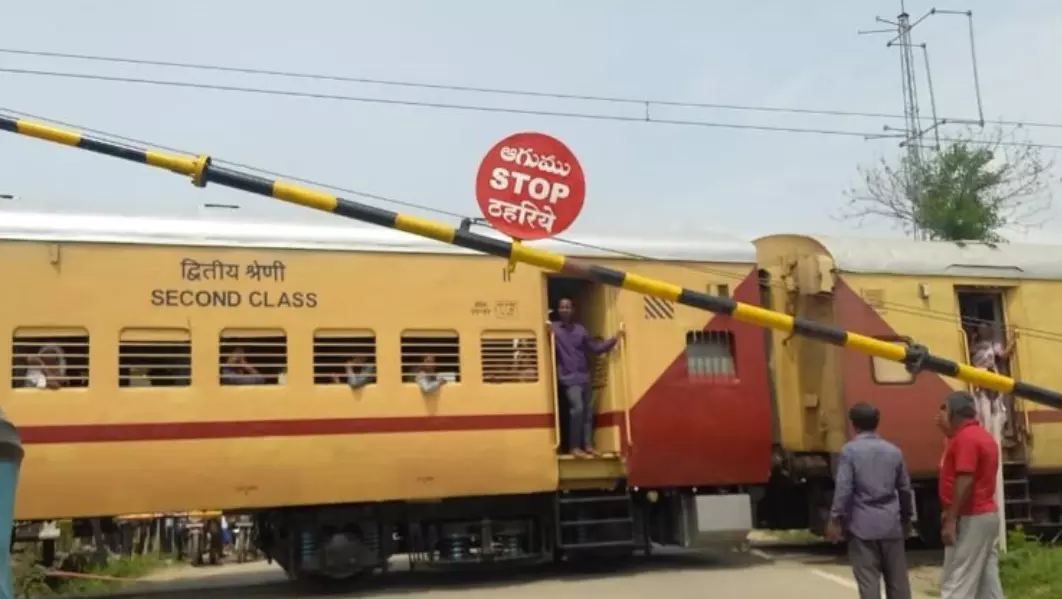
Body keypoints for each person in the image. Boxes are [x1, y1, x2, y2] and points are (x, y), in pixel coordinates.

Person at [826, 402, 914, 599]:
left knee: (868, 582)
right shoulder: (893, 451)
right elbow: (905, 489)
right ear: (877, 423)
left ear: (854, 425)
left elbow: (844, 488)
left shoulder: (850, 451)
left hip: (861, 527)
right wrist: (907, 518)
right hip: (891, 524)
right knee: (898, 583)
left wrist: (835, 519)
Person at [938, 391, 1004, 599]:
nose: (940, 414)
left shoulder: (965, 439)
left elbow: (965, 478)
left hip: (971, 516)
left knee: (957, 580)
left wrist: (951, 517)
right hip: (985, 515)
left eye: (944, 409)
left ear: (954, 413)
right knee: (987, 581)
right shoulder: (981, 436)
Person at [549, 297, 624, 458]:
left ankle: (588, 445)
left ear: (573, 310)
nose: (565, 310)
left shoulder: (580, 330)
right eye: (562, 307)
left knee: (588, 413)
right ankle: (574, 446)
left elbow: (595, 348)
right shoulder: (553, 328)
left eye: (568, 307)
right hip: (568, 378)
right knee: (577, 409)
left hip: (584, 377)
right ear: (558, 310)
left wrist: (615, 338)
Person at [969, 323, 1017, 432]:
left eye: (986, 329)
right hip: (979, 378)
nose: (984, 331)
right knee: (982, 408)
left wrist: (1013, 340)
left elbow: (1004, 355)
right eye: (982, 329)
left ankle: (996, 431)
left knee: (996, 407)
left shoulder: (993, 345)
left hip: (991, 376)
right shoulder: (974, 345)